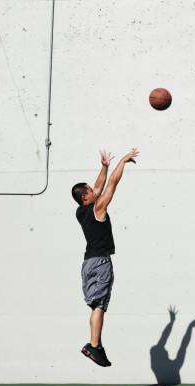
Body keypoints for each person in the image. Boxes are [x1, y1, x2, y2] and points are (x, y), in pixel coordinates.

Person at [71, 148, 140, 366]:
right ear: (85, 197)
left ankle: (96, 345)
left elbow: (100, 185)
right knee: (100, 305)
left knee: (95, 306)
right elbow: (111, 185)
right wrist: (122, 162)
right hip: (100, 262)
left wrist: (104, 165)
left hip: (87, 263)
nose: (95, 189)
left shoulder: (81, 211)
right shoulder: (97, 208)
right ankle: (93, 346)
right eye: (91, 190)